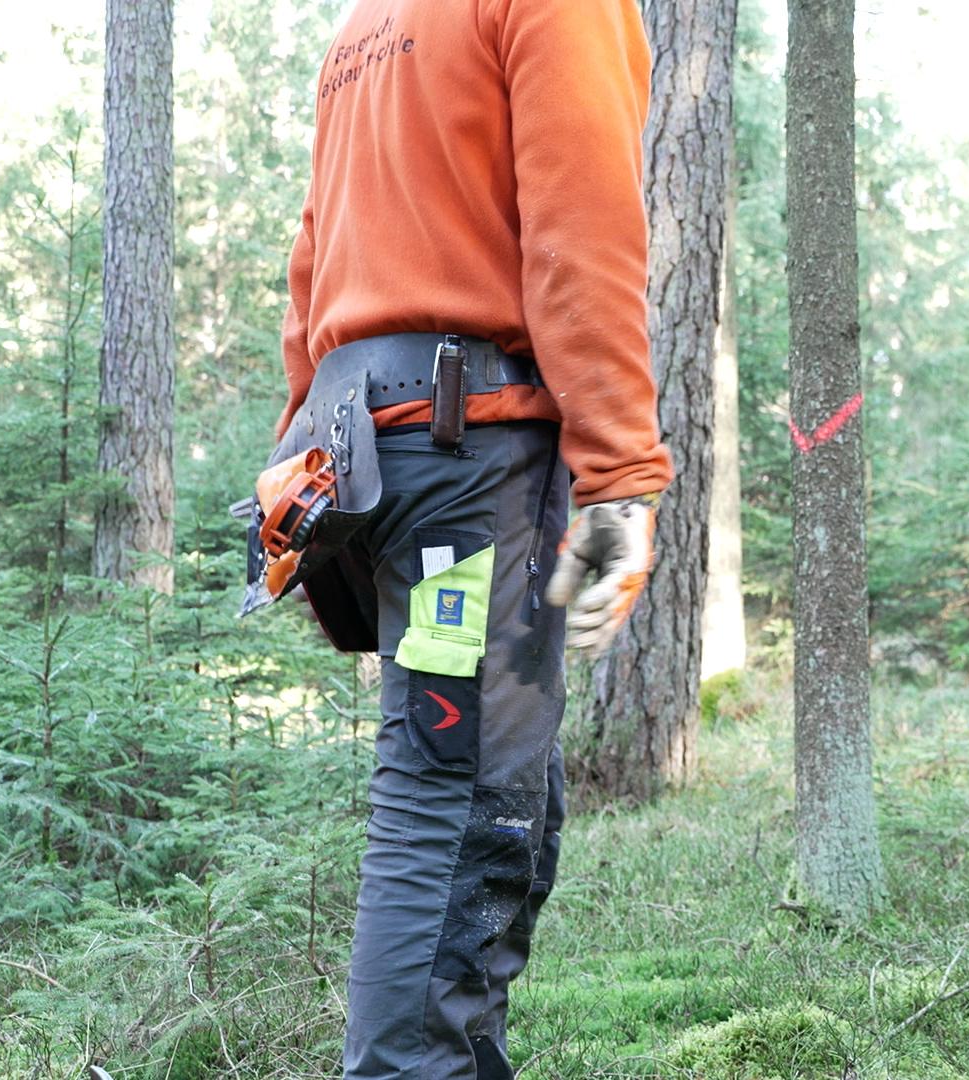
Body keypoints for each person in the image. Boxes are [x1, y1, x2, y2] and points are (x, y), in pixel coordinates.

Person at [273, 1, 669, 1076]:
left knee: (494, 788)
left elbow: (313, 262)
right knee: (457, 802)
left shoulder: (368, 22)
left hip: (371, 448)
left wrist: (302, 450)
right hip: (465, 457)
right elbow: (582, 232)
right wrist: (622, 474)